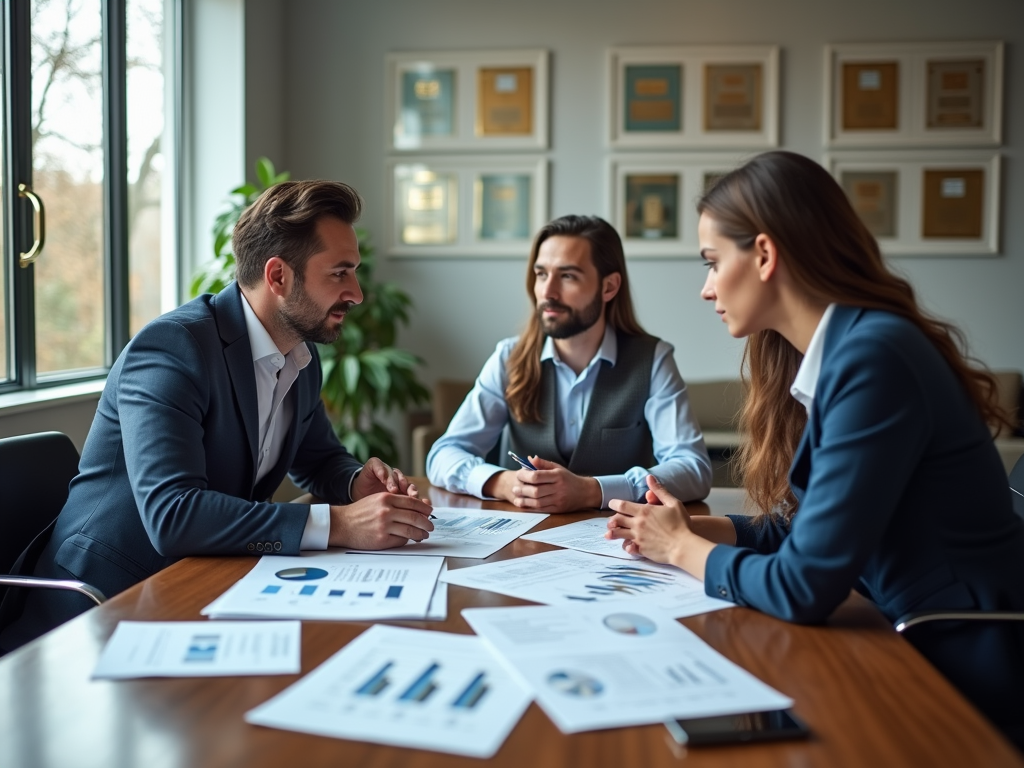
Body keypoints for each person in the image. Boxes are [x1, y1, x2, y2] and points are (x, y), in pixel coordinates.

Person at [605, 151, 1024, 748]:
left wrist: (680, 548)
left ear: (766, 255)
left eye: (712, 261)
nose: (705, 288)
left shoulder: (874, 359)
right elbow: (812, 538)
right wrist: (693, 528)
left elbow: (805, 585)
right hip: (894, 628)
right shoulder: (846, 351)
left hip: (956, 656)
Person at [0, 180, 433, 652]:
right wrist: (343, 524)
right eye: (340, 273)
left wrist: (354, 483)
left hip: (205, 580)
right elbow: (173, 515)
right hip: (104, 603)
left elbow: (318, 458)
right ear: (279, 276)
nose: (357, 292)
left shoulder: (300, 356)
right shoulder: (171, 349)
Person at [427, 214, 712, 513]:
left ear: (609, 287)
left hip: (617, 540)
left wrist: (593, 491)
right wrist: (503, 482)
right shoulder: (508, 357)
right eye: (541, 275)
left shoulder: (653, 360)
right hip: (522, 543)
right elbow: (443, 455)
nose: (548, 292)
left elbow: (694, 470)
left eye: (568, 276)